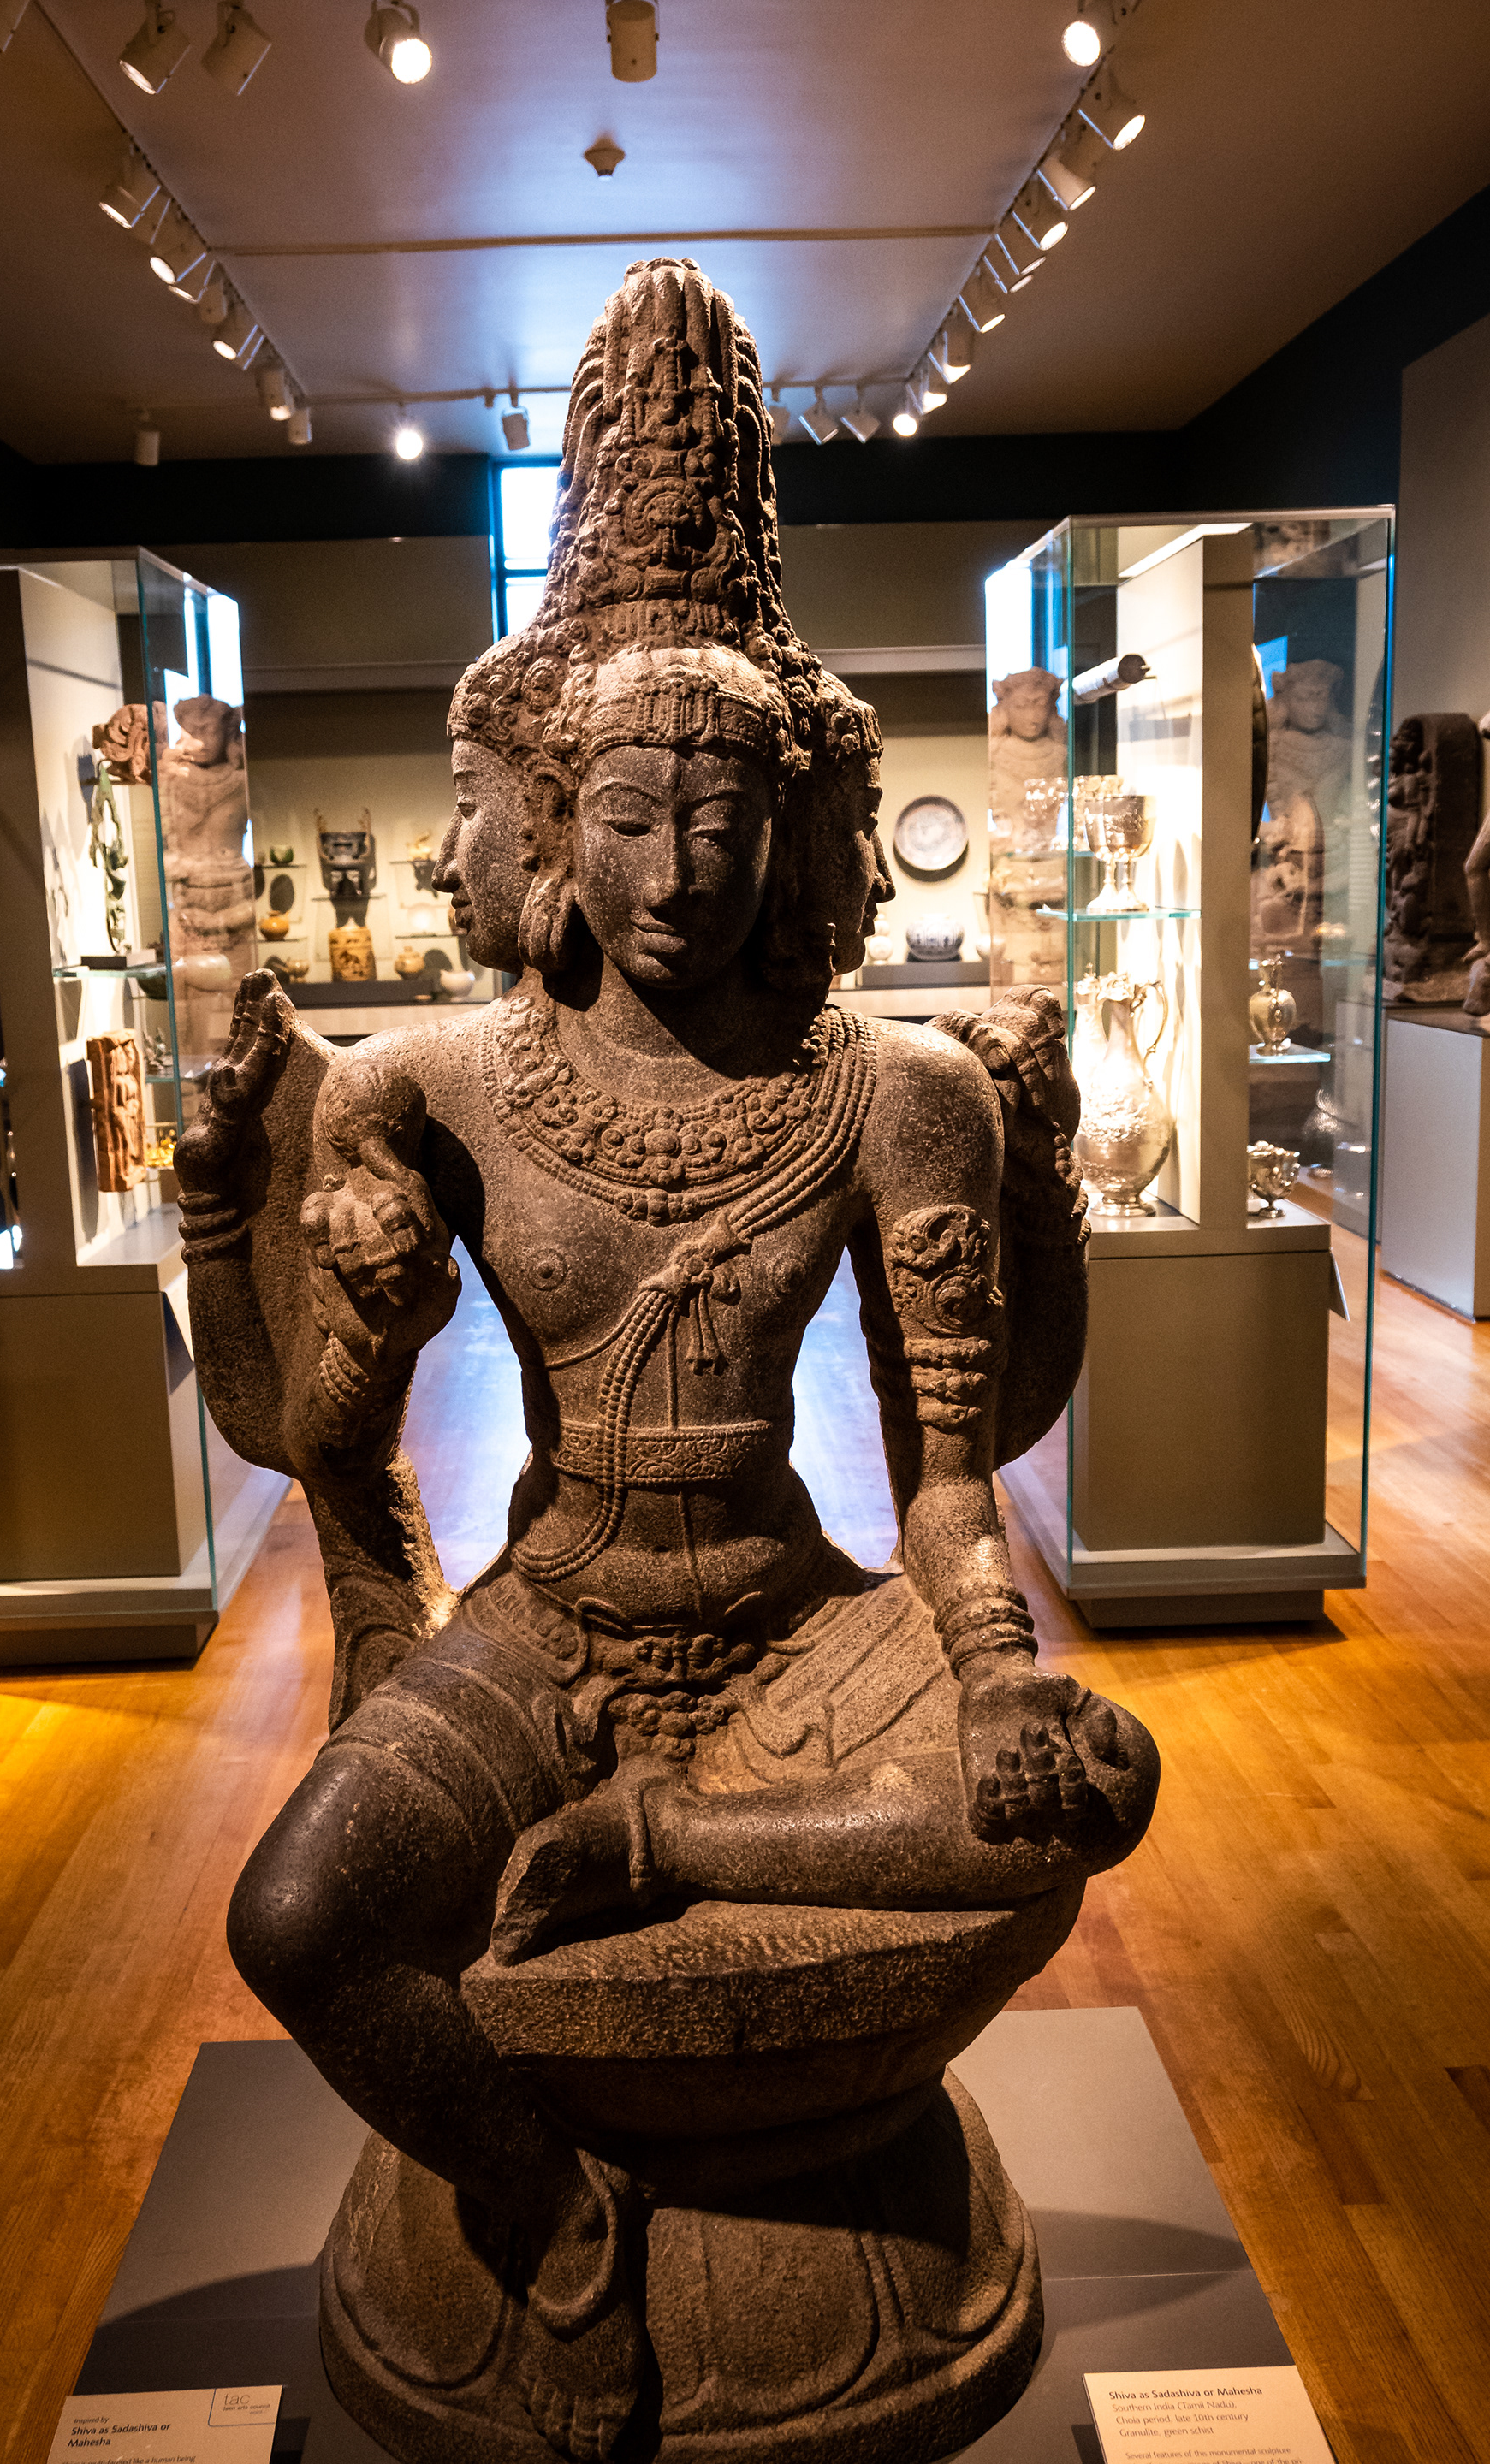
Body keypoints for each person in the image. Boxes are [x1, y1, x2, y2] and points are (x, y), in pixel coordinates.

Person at [177, 260, 1156, 2464]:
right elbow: (313, 1441)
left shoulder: (890, 1089)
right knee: (298, 1918)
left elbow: (954, 1470)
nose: (680, 869)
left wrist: (994, 1677)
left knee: (1090, 1793)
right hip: (555, 1623)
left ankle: (675, 1833)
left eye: (728, 821)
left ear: (798, 832)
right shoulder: (434, 1089)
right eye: (628, 815)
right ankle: (542, 2202)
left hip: (800, 1628)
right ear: (546, 827)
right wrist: (259, 1233)